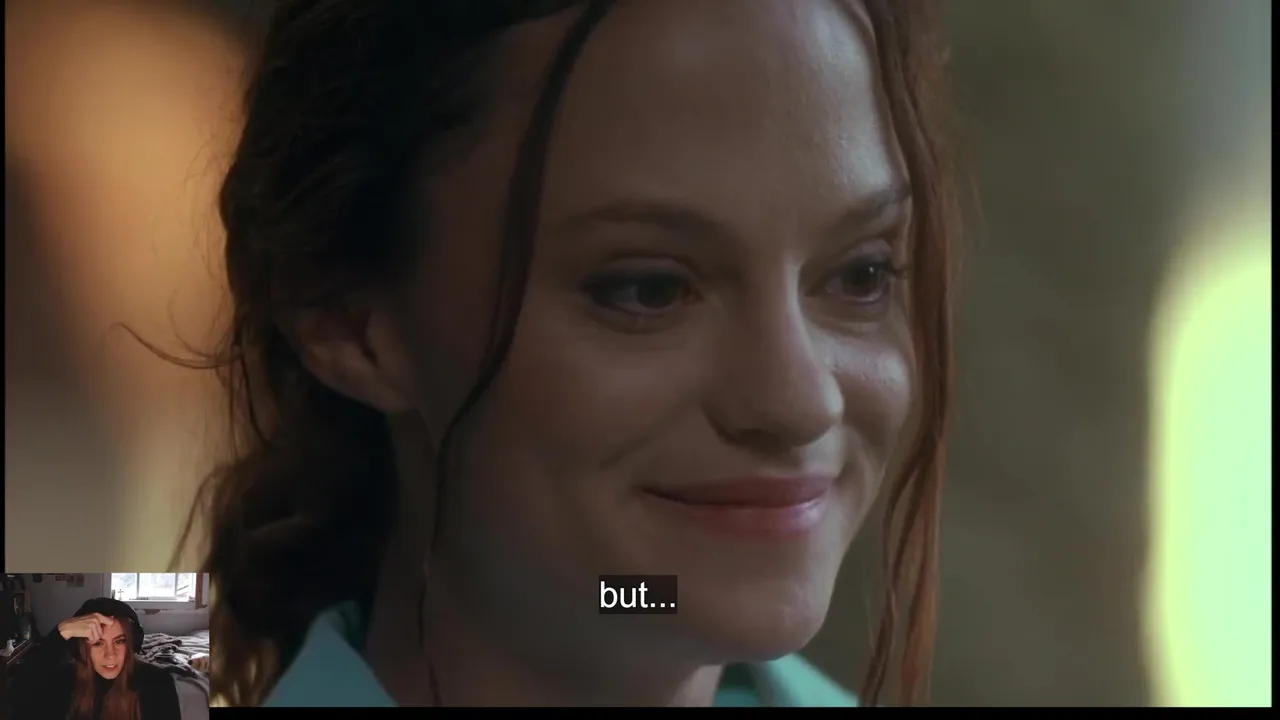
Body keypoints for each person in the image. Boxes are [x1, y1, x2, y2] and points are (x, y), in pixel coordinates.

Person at [173, 0, 958, 708]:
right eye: (647, 289)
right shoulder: (112, 673)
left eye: (861, 275)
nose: (800, 401)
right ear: (347, 320)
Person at [9, 598, 181, 720]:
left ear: (132, 643)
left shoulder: (157, 683)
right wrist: (61, 632)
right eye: (98, 643)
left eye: (119, 641)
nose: (110, 654)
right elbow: (19, 700)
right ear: (82, 648)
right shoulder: (65, 681)